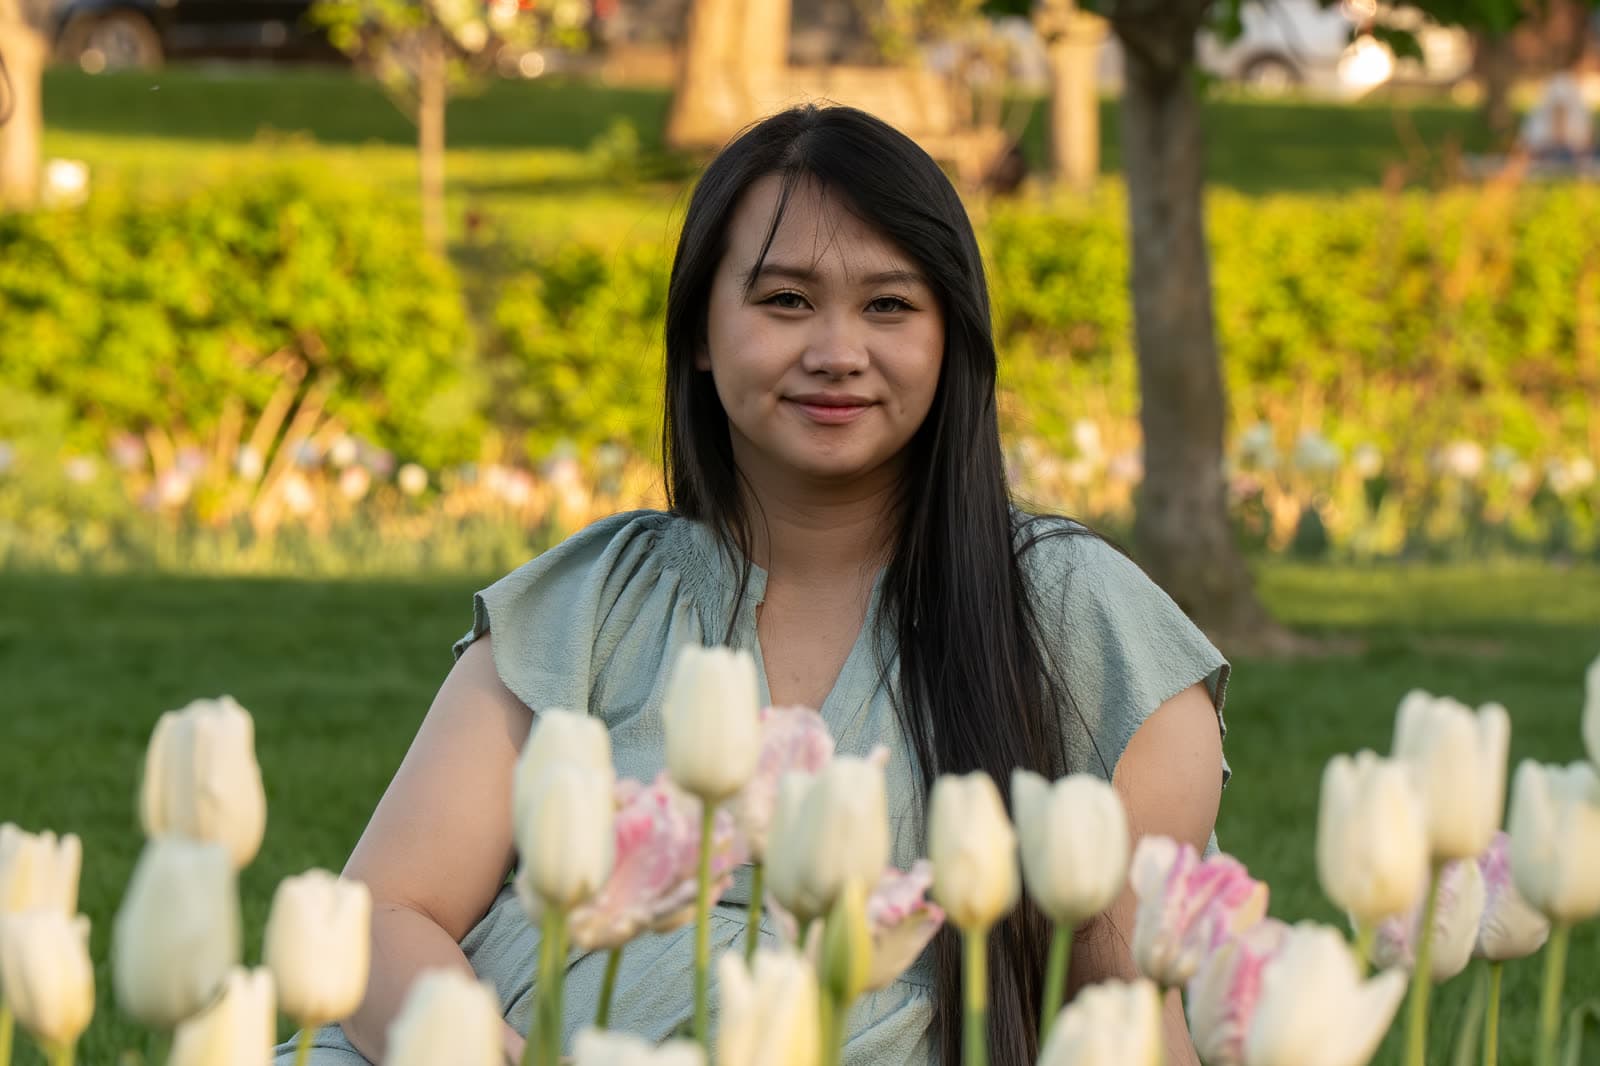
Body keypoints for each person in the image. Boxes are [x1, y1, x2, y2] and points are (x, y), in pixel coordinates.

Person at [275, 103, 1229, 1066]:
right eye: (785, 300)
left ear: (952, 336)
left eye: (889, 306)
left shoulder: (1073, 619)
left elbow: (1126, 1020)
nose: (837, 353)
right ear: (700, 328)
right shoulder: (593, 602)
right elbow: (385, 912)